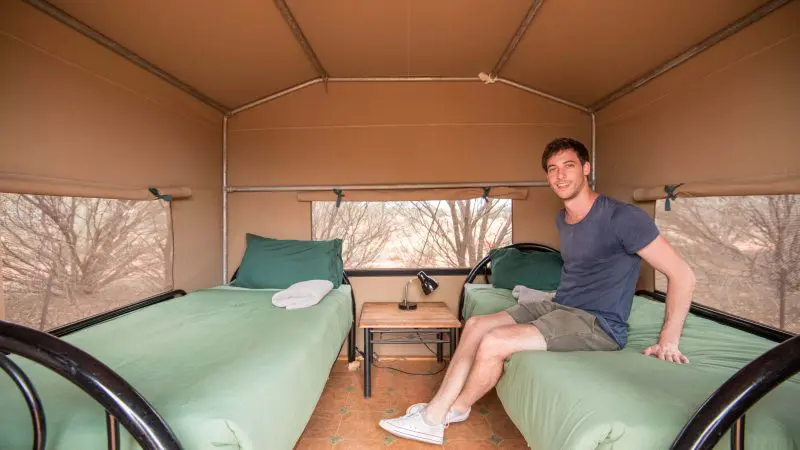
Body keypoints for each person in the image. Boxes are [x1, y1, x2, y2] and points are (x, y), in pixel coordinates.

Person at [377, 137, 696, 445]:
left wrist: (668, 340)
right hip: (560, 306)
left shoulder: (622, 217)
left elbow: (682, 275)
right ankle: (443, 406)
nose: (560, 175)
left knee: (495, 341)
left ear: (586, 168)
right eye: (553, 169)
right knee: (475, 325)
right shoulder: (564, 219)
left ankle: (439, 416)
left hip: (597, 323)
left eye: (569, 166)